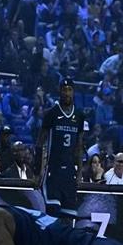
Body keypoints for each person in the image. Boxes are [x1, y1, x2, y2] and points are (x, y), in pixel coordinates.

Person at [35, 77, 84, 218]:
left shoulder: (79, 116)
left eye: (69, 90)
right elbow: (40, 143)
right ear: (60, 91)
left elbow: (79, 146)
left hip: (69, 173)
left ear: (73, 92)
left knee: (69, 218)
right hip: (52, 171)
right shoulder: (51, 114)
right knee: (52, 215)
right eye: (64, 90)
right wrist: (38, 171)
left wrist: (79, 173)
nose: (67, 93)